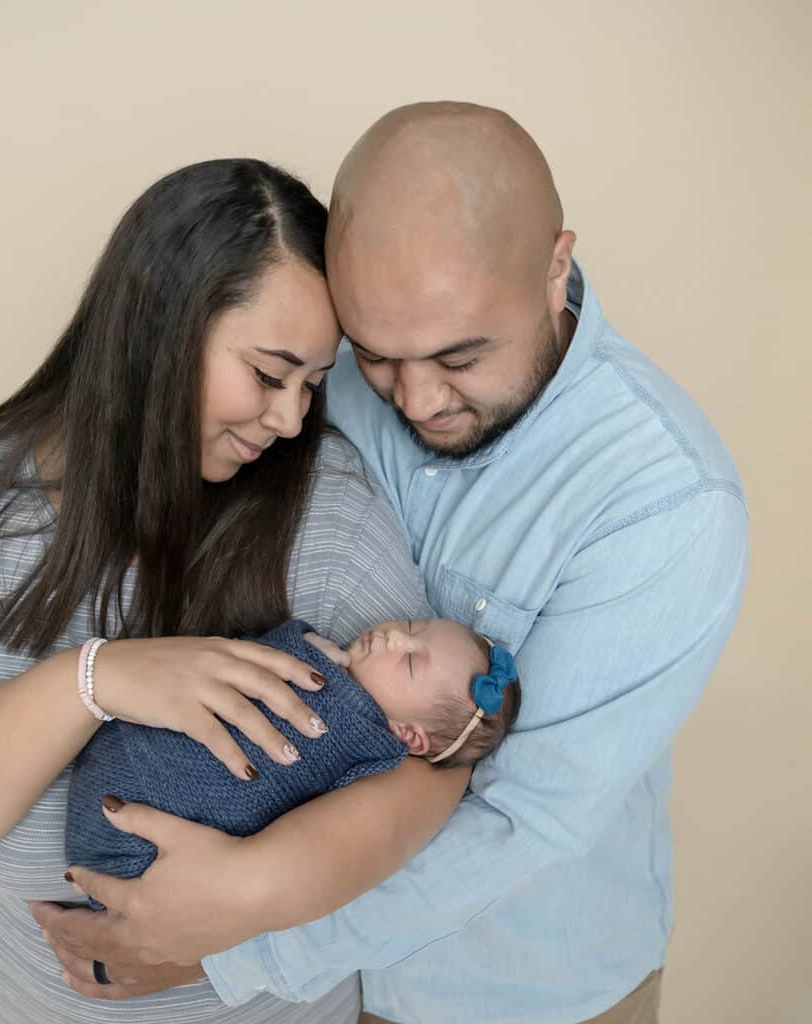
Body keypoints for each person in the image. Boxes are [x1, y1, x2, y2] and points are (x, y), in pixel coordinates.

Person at [37, 105, 748, 1024]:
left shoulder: (665, 503)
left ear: (555, 268)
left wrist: (231, 939)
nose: (415, 398)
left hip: (527, 992)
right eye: (374, 358)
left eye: (460, 356)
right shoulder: (320, 386)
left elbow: (517, 816)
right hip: (339, 995)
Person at [0, 158, 474, 1024]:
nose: (290, 420)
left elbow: (432, 776)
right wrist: (92, 682)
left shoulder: (326, 516)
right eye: (267, 373)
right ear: (157, 327)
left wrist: (243, 910)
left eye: (314, 385)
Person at [66, 617, 520, 887]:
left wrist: (304, 650)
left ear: (409, 736)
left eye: (409, 660)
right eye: (411, 627)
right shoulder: (333, 673)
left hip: (144, 842)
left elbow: (313, 822)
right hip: (123, 756)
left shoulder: (370, 762)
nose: (392, 637)